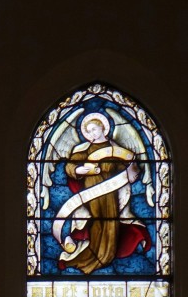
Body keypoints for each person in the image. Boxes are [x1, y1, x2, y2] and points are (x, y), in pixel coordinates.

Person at [54, 112, 151, 274]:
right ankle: (90, 257)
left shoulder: (115, 149)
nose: (92, 134)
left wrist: (131, 172)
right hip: (91, 192)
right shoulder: (84, 149)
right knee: (95, 222)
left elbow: (126, 168)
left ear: (103, 128)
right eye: (89, 131)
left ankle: (106, 255)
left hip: (110, 193)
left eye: (94, 129)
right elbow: (70, 166)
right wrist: (78, 169)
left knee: (110, 224)